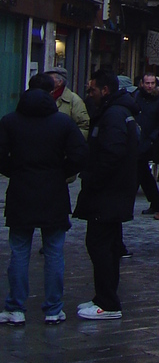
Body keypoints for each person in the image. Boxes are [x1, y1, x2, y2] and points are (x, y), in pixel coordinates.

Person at [0, 73, 88, 325]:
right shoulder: (62, 123)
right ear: (52, 93)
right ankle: (53, 308)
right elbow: (80, 155)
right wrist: (62, 171)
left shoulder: (10, 121)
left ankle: (15, 307)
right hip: (53, 191)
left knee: (18, 251)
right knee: (53, 252)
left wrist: (15, 170)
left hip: (21, 190)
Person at [72, 67, 140, 320]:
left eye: (91, 90)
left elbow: (112, 154)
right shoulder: (118, 113)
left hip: (108, 193)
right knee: (107, 246)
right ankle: (104, 297)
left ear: (105, 90)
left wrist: (92, 178)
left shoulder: (113, 115)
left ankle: (107, 302)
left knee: (100, 245)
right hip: (114, 193)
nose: (89, 94)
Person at [133, 72, 159, 214]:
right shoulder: (136, 97)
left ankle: (155, 201)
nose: (150, 86)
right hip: (136, 139)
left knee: (139, 171)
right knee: (141, 172)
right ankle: (156, 201)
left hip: (150, 142)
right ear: (142, 83)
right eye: (147, 83)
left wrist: (153, 138)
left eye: (152, 83)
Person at [47, 67, 90, 138]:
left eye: (50, 78)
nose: (46, 81)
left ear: (60, 82)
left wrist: (70, 141)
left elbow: (84, 127)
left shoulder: (74, 100)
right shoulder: (45, 97)